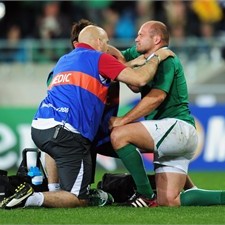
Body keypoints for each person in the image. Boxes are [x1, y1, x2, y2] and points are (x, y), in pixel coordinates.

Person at [0, 24, 173, 209]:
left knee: (55, 149)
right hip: (68, 133)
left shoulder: (63, 60)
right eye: (106, 43)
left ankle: (53, 189)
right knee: (78, 199)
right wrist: (158, 56)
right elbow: (140, 80)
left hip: (40, 127)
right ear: (98, 42)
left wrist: (125, 63)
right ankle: (31, 198)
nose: (108, 47)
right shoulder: (100, 58)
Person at [109, 20, 225, 207]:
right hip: (175, 134)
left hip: (177, 127)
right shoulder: (140, 54)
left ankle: (145, 194)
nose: (136, 38)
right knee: (169, 201)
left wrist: (123, 120)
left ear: (156, 39)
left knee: (119, 135)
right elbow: (111, 58)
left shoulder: (166, 60)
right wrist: (103, 46)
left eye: (141, 35)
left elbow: (156, 98)